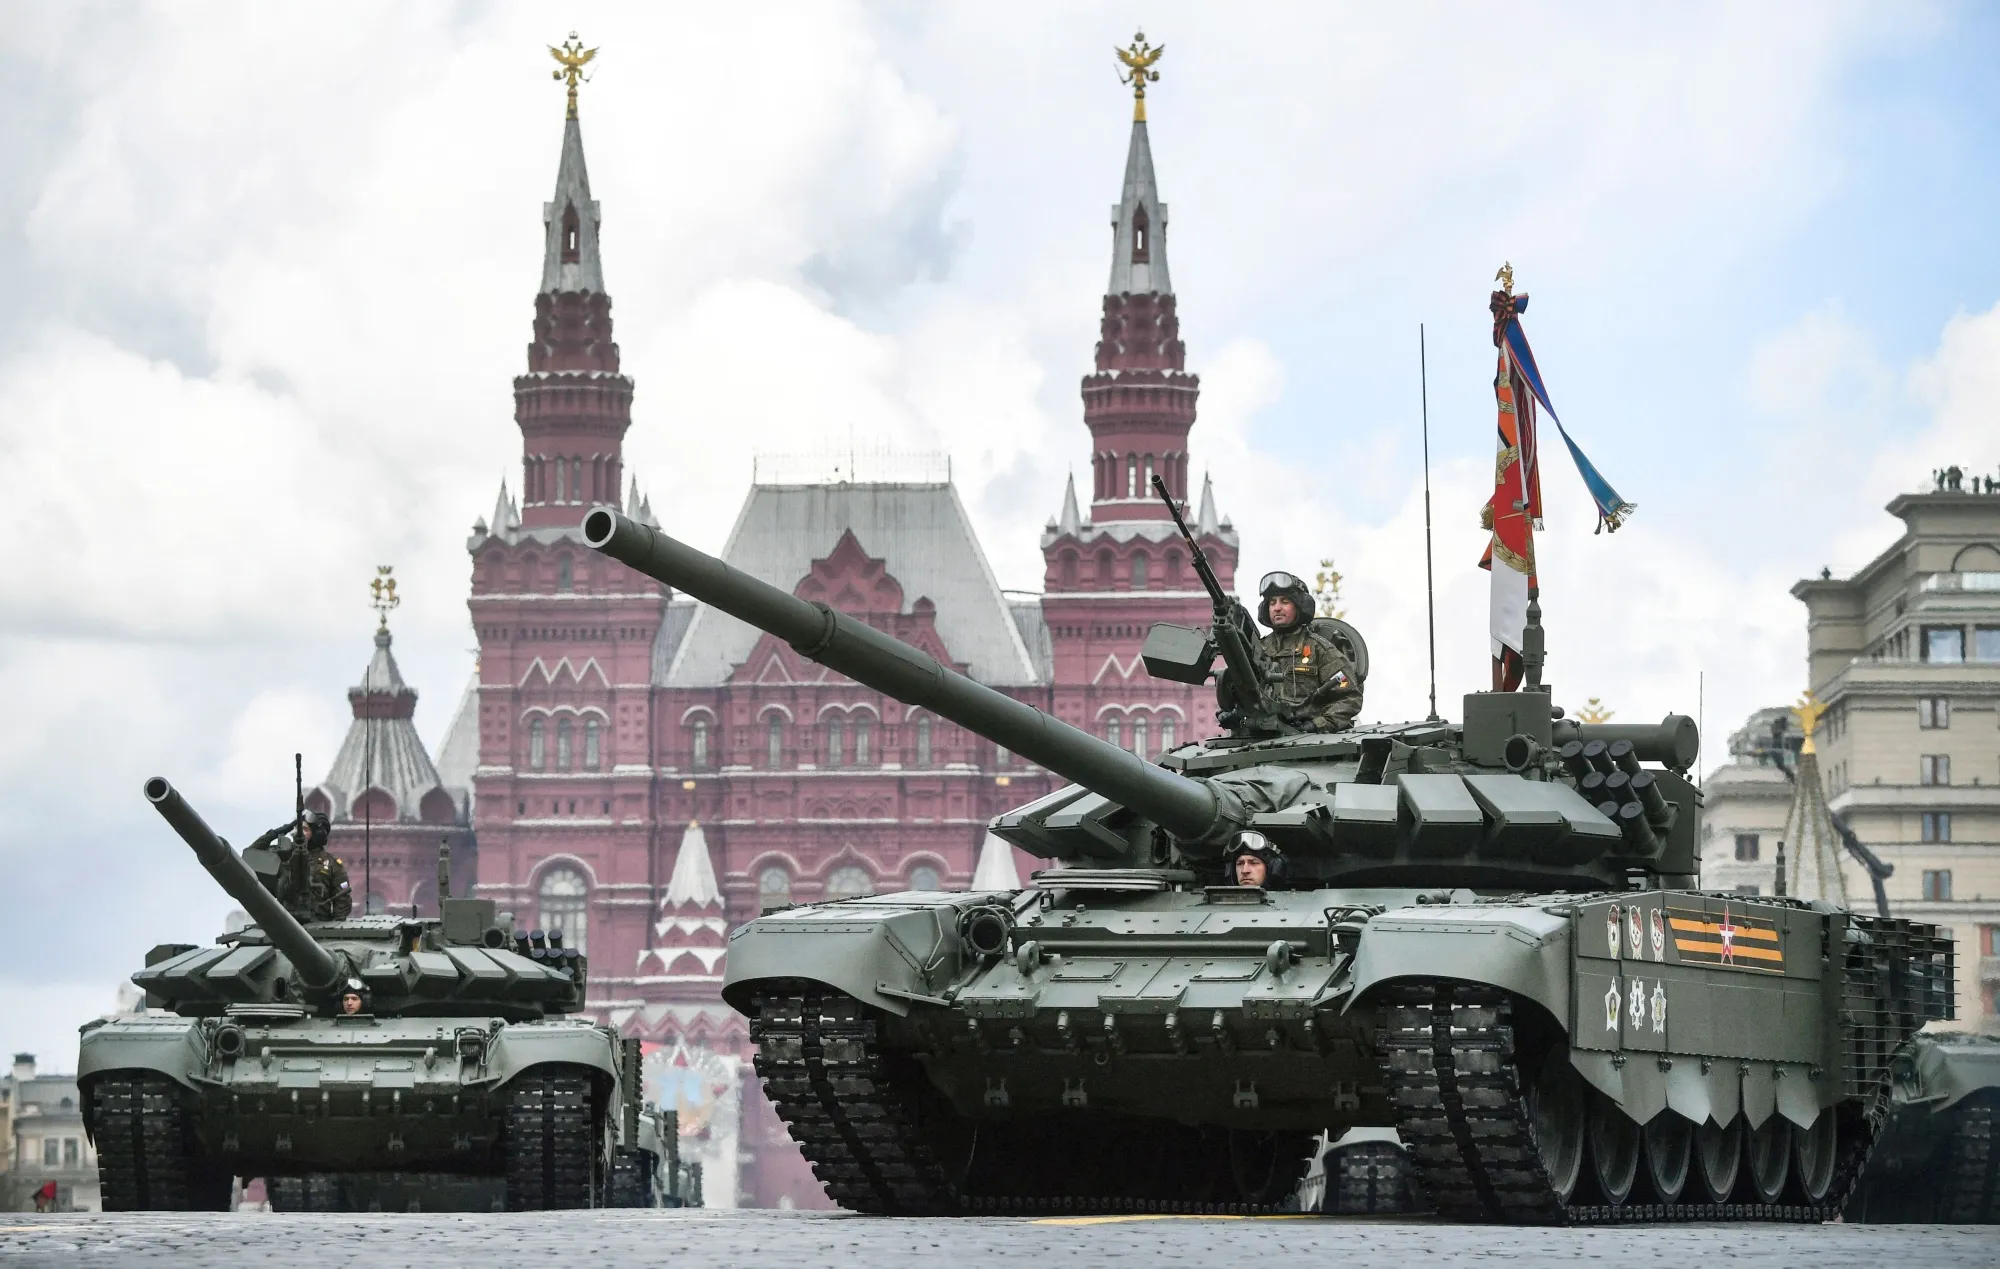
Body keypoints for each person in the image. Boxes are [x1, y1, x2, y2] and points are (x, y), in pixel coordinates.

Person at [1254, 572, 1362, 732]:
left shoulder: (1319, 650)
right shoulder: (1257, 650)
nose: (1277, 608)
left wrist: (1316, 725)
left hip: (1309, 742)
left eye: (1285, 602)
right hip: (1258, 739)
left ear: (1300, 606)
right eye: (1272, 603)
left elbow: (1350, 698)